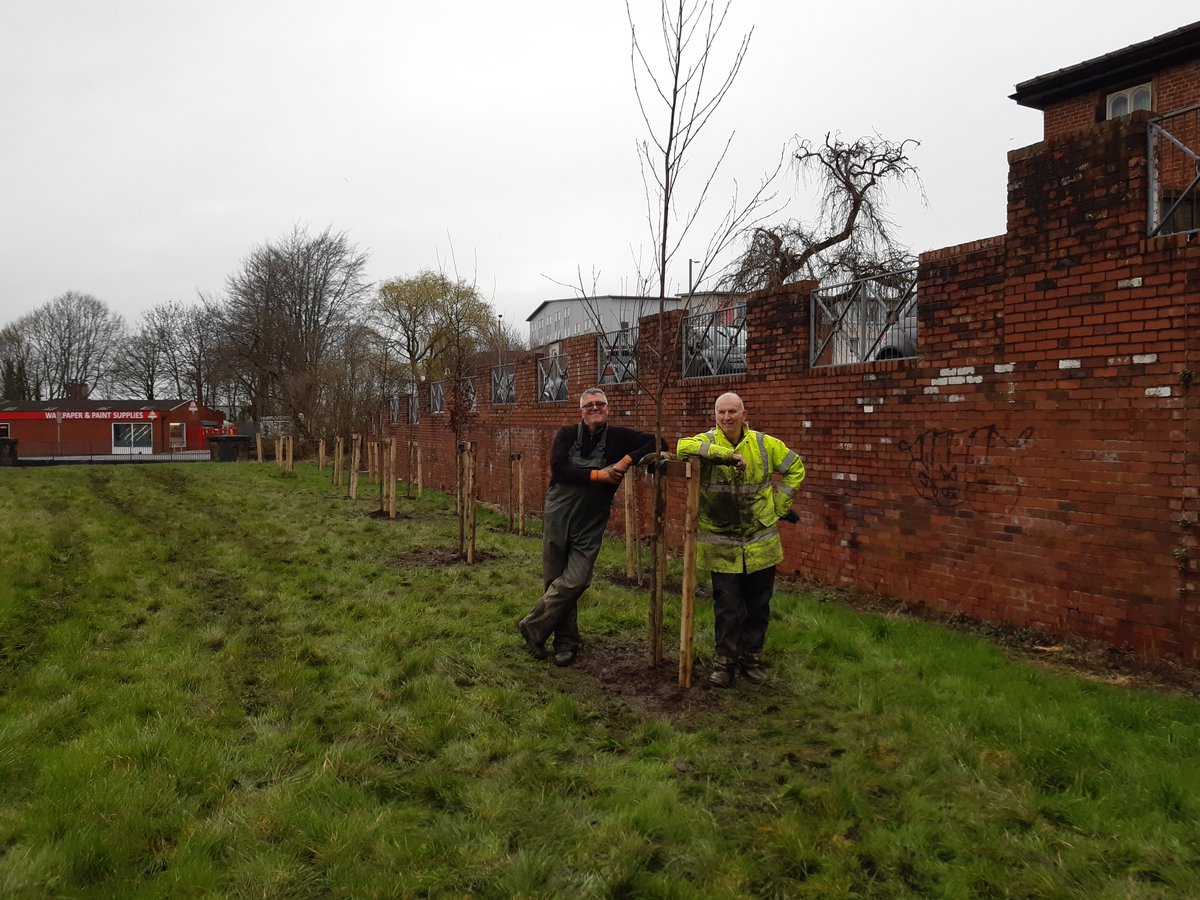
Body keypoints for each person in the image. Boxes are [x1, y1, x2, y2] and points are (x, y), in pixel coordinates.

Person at [518, 388, 661, 667]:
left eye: (600, 404)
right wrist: (600, 474)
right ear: (581, 411)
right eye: (589, 405)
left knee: (577, 579)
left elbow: (657, 440)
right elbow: (560, 470)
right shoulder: (568, 434)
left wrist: (626, 461)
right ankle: (565, 644)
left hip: (591, 520)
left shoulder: (619, 437)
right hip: (559, 513)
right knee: (555, 578)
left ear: (608, 409)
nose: (595, 408)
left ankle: (533, 625)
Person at [676, 392, 805, 687]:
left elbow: (795, 468)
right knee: (728, 606)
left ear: (744, 415)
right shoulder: (705, 443)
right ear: (715, 416)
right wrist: (726, 457)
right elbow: (682, 448)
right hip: (721, 544)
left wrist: (779, 506)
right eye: (721, 412)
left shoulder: (765, 444)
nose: (727, 418)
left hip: (761, 542)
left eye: (733, 412)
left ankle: (752, 659)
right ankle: (725, 662)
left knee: (758, 605)